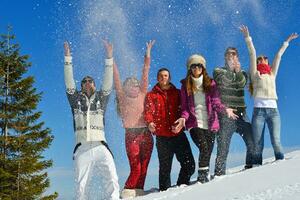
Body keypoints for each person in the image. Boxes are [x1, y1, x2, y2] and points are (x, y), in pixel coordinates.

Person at [64, 40, 120, 200]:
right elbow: (68, 82)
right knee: (81, 186)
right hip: (82, 148)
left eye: (91, 81)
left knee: (112, 178)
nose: (87, 83)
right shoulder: (75, 100)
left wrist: (109, 57)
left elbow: (108, 81)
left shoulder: (101, 98)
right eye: (84, 82)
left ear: (95, 85)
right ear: (81, 86)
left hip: (101, 146)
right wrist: (68, 59)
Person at [240, 25, 298, 165]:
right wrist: (248, 38)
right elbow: (252, 54)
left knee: (276, 141)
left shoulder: (272, 74)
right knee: (258, 144)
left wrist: (287, 41)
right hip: (258, 112)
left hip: (273, 112)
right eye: (259, 60)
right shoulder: (255, 75)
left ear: (267, 61)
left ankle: (281, 165)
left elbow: (278, 56)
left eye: (264, 58)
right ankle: (257, 167)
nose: (261, 60)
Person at [175, 54, 238, 183]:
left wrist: (225, 109)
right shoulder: (185, 85)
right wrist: (183, 118)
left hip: (210, 123)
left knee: (208, 150)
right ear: (190, 68)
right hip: (194, 122)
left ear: (202, 67)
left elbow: (215, 102)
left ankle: (205, 175)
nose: (196, 68)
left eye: (199, 65)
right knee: (204, 148)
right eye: (193, 66)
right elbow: (185, 108)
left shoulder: (210, 83)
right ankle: (202, 177)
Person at [113, 40, 155, 198]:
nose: (135, 86)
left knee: (144, 166)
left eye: (136, 84)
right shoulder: (122, 97)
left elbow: (145, 71)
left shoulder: (143, 93)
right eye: (131, 84)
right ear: (125, 86)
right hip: (131, 135)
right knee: (135, 167)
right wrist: (111, 58)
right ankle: (127, 191)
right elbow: (116, 78)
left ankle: (139, 191)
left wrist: (148, 53)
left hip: (146, 134)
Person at [144, 68, 195, 191]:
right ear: (157, 78)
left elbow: (184, 109)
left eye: (166, 75)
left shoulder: (177, 93)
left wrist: (183, 122)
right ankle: (164, 193)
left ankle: (181, 187)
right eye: (161, 76)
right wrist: (150, 122)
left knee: (190, 165)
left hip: (178, 134)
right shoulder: (151, 95)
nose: (163, 78)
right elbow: (148, 112)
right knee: (165, 170)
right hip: (162, 137)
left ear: (169, 78)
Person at [213, 45, 255, 176]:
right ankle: (219, 175)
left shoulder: (242, 73)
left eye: (234, 54)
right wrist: (232, 71)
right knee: (223, 148)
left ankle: (250, 170)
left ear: (237, 56)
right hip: (226, 115)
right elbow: (224, 82)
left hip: (242, 114)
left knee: (252, 143)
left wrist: (237, 71)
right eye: (229, 54)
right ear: (225, 57)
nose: (232, 56)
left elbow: (241, 83)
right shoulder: (218, 70)